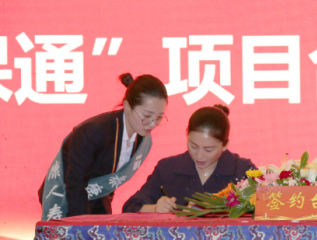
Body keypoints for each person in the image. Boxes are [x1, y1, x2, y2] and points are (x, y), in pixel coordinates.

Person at [38, 73, 168, 220]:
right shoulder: (93, 131)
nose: (152, 123)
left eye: (159, 117)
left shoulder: (143, 139)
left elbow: (111, 179)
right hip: (66, 196)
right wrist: (81, 226)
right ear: (127, 106)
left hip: (97, 197)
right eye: (147, 116)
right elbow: (75, 185)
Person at [123, 105, 255, 213]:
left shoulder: (243, 171)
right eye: (193, 146)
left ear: (225, 144)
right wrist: (155, 208)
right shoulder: (168, 168)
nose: (199, 156)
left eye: (208, 150)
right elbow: (130, 207)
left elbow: (264, 211)